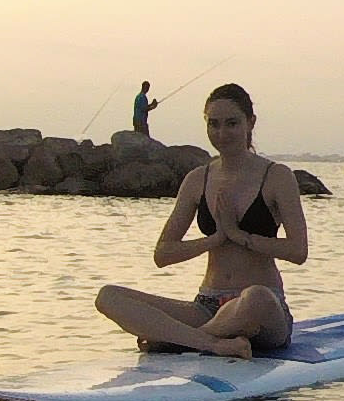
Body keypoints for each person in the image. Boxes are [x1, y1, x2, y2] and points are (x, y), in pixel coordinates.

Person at [96, 82, 306, 357]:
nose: (222, 133)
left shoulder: (277, 176)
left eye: (231, 123)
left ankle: (176, 339)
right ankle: (212, 342)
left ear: (250, 123)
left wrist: (239, 235)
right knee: (109, 296)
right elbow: (163, 254)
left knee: (255, 297)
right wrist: (215, 239)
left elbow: (298, 251)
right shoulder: (198, 179)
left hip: (261, 310)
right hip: (206, 305)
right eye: (213, 124)